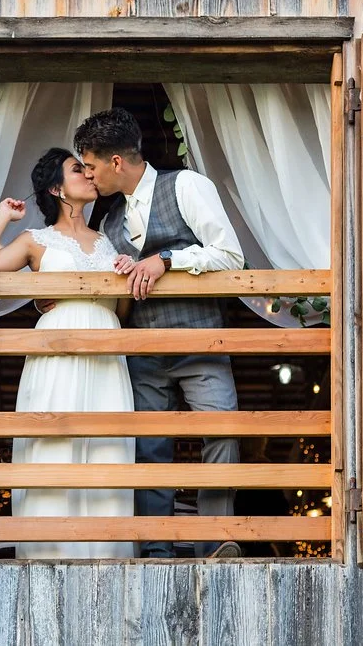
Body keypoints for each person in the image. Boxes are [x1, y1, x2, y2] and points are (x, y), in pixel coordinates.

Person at [73, 107, 247, 559]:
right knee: (150, 445)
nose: (88, 177)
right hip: (142, 349)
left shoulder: (186, 185)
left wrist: (167, 260)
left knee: (222, 430)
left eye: (90, 166)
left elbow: (230, 256)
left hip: (200, 340)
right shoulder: (107, 222)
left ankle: (215, 541)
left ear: (116, 163)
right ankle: (155, 548)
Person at [0, 147, 138, 559]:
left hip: (106, 348)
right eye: (77, 169)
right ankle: (49, 554)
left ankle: (106, 556)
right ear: (57, 189)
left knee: (107, 450)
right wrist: (1, 218)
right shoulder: (35, 241)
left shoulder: (107, 240)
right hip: (58, 345)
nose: (88, 175)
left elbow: (122, 309)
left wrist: (125, 272)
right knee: (54, 444)